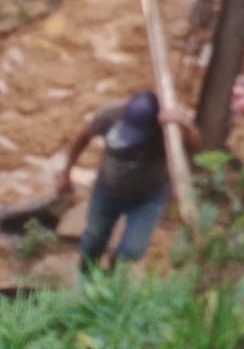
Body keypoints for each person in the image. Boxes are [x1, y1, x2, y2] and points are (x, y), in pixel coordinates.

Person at [57, 89, 199, 272]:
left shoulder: (167, 129)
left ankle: (112, 277)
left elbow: (195, 147)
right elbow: (82, 137)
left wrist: (185, 125)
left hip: (147, 197)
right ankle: (86, 276)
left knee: (133, 250)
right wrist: (66, 172)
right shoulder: (109, 115)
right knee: (93, 239)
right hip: (107, 191)